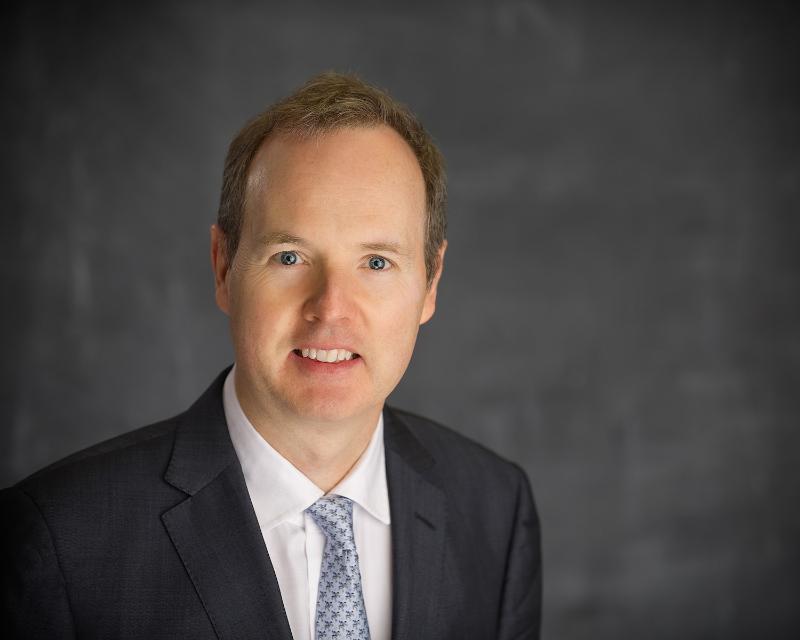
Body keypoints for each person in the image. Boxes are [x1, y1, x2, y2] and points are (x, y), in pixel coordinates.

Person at [1, 72, 541, 639]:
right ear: (223, 268)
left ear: (430, 283)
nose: (331, 309)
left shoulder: (496, 512)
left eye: (377, 262)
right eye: (289, 257)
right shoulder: (57, 540)